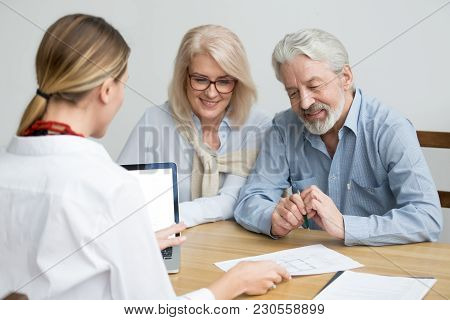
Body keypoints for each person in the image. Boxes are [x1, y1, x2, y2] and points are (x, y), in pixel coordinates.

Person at [0, 14, 290, 300]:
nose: (212, 92)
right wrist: (232, 284)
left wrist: (134, 243)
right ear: (106, 90)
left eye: (224, 81)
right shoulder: (112, 187)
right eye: (125, 84)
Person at [234, 28, 443, 246]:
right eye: (293, 93)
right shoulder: (284, 128)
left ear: (345, 78)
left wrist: (345, 226)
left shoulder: (390, 128)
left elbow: (427, 218)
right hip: (311, 262)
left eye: (314, 86)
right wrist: (273, 217)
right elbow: (250, 200)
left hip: (383, 263)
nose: (305, 103)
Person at [118, 25, 270, 227]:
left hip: (234, 248)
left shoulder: (257, 125)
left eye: (224, 82)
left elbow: (232, 200)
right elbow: (120, 192)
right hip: (171, 242)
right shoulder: (154, 120)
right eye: (200, 80)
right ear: (184, 76)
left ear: (238, 82)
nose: (211, 93)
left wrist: (168, 216)